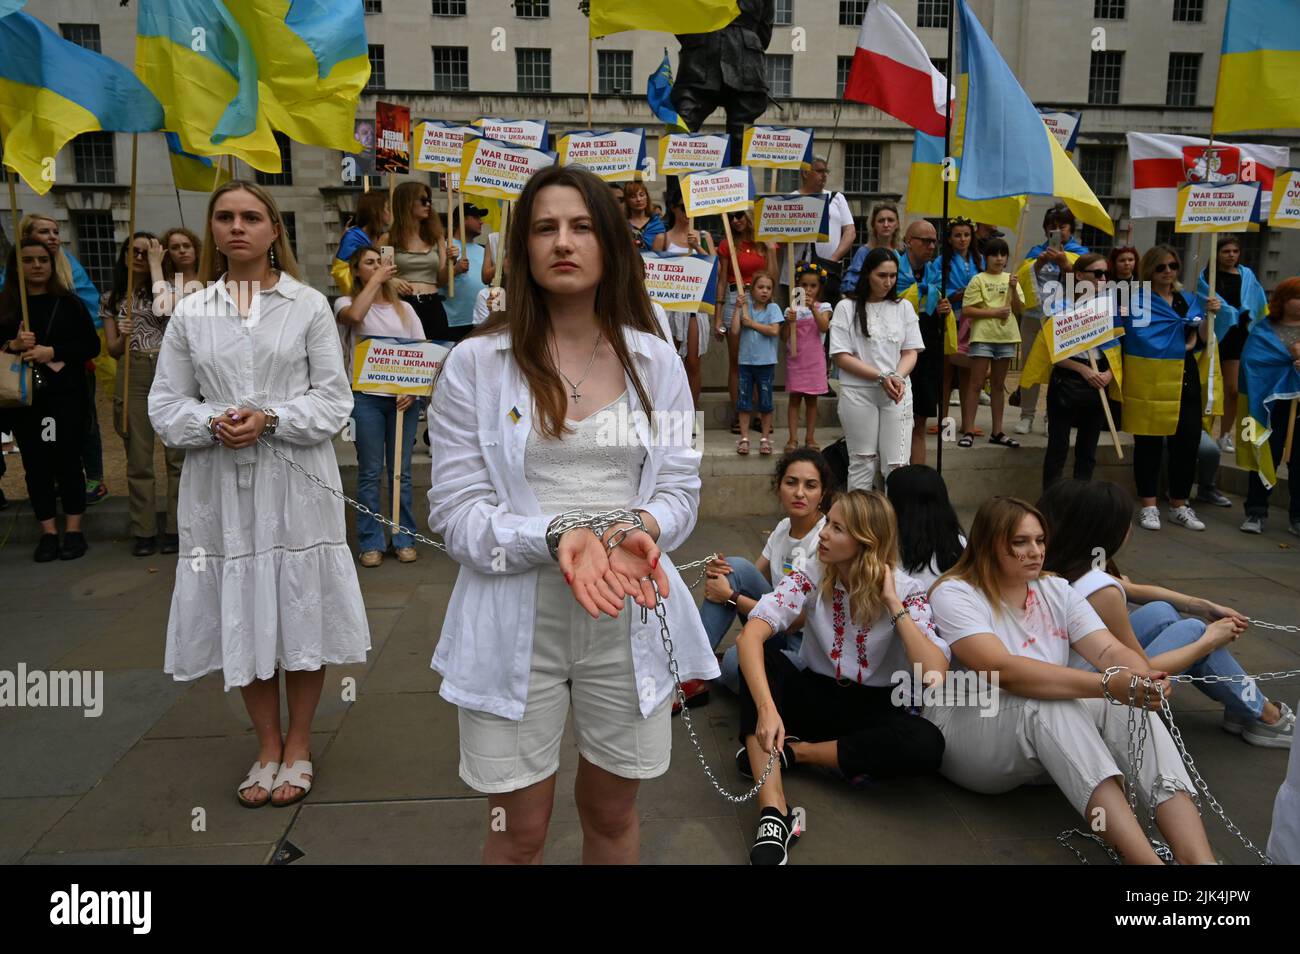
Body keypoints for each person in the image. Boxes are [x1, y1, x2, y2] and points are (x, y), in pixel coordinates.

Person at [426, 164, 716, 865]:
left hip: (630, 612)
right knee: (518, 832)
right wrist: (557, 534)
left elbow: (680, 488)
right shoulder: (475, 364)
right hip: (513, 617)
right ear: (522, 247)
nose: (564, 241)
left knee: (612, 818)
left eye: (582, 226)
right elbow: (456, 512)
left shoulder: (660, 364)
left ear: (612, 244)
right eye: (545, 227)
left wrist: (636, 529)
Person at [149, 179, 370, 810]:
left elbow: (334, 400)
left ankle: (299, 744)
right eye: (224, 216)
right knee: (243, 604)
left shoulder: (308, 307)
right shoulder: (192, 311)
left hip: (295, 480)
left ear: (275, 230)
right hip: (221, 484)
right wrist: (210, 424)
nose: (237, 227)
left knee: (298, 602)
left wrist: (269, 419)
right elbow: (165, 403)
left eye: (251, 216)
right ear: (212, 230)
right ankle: (266, 745)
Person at [926, 496, 1218, 864]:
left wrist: (1143, 678)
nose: (1035, 551)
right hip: (970, 732)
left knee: (1128, 706)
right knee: (1051, 701)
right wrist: (1107, 685)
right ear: (988, 544)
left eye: (1040, 540)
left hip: (1047, 741)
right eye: (1020, 542)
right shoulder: (955, 592)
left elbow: (1110, 652)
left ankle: (1198, 860)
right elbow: (1001, 669)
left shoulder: (1055, 588)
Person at [736, 490, 950, 864]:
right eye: (828, 523)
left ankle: (796, 754)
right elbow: (750, 634)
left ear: (866, 541)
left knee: (926, 744)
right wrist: (768, 709)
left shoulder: (907, 591)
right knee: (761, 660)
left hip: (874, 707)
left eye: (837, 528)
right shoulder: (811, 572)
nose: (822, 534)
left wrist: (894, 605)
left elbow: (933, 673)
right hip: (817, 694)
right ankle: (774, 813)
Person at [1039, 478, 1294, 748]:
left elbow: (1133, 589)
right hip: (1086, 696)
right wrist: (1210, 640)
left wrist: (1201, 604)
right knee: (1194, 631)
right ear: (1107, 529)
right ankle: (1266, 717)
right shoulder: (1102, 593)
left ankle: (1243, 704)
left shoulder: (1063, 563)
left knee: (1161, 611)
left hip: (1066, 673)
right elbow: (1142, 673)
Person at [701, 448, 832, 696]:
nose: (799, 493)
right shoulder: (783, 528)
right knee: (734, 566)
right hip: (776, 630)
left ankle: (707, 668)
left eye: (810, 485)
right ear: (778, 487)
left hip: (805, 649)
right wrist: (721, 571)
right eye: (791, 483)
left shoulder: (824, 539)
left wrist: (730, 596)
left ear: (822, 493)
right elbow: (748, 575)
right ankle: (691, 666)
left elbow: (796, 622)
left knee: (733, 662)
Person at [0, 240, 101, 561]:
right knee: (36, 465)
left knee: (68, 461)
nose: (37, 266)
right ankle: (48, 532)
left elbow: (89, 345)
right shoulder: (6, 306)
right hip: (26, 399)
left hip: (64, 396)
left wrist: (52, 351)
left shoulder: (68, 303)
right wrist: (12, 343)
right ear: (16, 266)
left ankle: (73, 529)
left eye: (43, 259)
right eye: (28, 260)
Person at [4, 215, 107, 505]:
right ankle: (48, 495)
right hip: (24, 385)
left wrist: (54, 351)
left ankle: (90, 479)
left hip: (67, 380)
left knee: (78, 431)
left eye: (55, 232)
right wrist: (13, 344)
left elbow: (89, 330)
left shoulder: (68, 282)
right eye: (43, 232)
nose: (52, 237)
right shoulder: (9, 295)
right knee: (37, 452)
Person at [335, 246, 426, 568]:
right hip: (365, 398)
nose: (376, 267)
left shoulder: (405, 310)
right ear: (357, 271)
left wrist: (414, 392)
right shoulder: (345, 303)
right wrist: (376, 282)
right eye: (368, 263)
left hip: (402, 399)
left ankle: (403, 537)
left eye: (380, 262)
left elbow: (421, 354)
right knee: (370, 471)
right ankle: (371, 540)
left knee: (400, 472)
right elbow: (355, 318)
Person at [1123, 245, 1221, 532]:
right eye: (1161, 267)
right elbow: (1135, 336)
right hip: (1149, 376)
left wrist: (1208, 316)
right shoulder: (1137, 300)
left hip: (1184, 376)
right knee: (1148, 443)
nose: (1168, 272)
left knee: (1187, 443)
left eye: (1173, 266)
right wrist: (1181, 342)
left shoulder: (1187, 300)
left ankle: (1180, 504)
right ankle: (1149, 506)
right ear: (1149, 270)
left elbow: (1199, 339)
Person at [103, 232, 185, 557]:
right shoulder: (112, 298)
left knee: (176, 456)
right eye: (133, 252)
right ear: (124, 256)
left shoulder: (171, 290)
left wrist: (155, 265)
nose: (139, 257)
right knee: (139, 457)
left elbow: (166, 312)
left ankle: (177, 528)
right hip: (134, 370)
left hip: (168, 369)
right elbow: (112, 351)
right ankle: (144, 530)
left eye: (146, 251)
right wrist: (122, 336)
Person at [830, 247, 923, 491]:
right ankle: (856, 523)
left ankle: (898, 523)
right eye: (882, 275)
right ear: (868, 274)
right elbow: (841, 356)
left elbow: (911, 351)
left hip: (897, 391)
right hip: (858, 391)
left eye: (893, 276)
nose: (888, 282)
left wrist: (896, 376)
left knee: (897, 465)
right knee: (862, 461)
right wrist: (881, 376)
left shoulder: (903, 307)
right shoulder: (846, 307)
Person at [1037, 254, 1122, 488]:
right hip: (1068, 378)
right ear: (1080, 275)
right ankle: (1053, 499)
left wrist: (1109, 374)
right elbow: (1052, 351)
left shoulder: (1110, 306)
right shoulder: (1060, 304)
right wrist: (1083, 370)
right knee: (1058, 447)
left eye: (1106, 274)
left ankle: (1081, 500)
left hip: (1100, 379)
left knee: (1088, 450)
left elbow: (1118, 347)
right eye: (1097, 273)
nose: (1103, 278)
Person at [1013, 203, 1090, 435]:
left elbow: (1087, 284)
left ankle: (1052, 416)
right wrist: (1038, 264)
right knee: (1029, 365)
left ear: (1071, 229)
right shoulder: (1036, 252)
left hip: (1063, 319)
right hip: (1034, 318)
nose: (1057, 231)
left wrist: (1066, 265)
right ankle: (1027, 415)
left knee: (1060, 370)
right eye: (1052, 226)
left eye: (1062, 226)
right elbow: (1023, 282)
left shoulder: (1081, 254)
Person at [1237, 276, 1300, 535]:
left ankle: (1297, 515)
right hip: (1269, 405)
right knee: (1265, 452)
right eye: (1297, 297)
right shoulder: (1264, 329)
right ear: (1283, 300)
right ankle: (1256, 510)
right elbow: (1252, 362)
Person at [1198, 235, 1268, 453]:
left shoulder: (1247, 275)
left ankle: (1225, 433)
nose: (1231, 255)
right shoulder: (1207, 277)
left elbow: (1258, 303)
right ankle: (1203, 431)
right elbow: (1201, 302)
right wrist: (1221, 310)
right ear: (1216, 254)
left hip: (1241, 336)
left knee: (1233, 389)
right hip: (1216, 335)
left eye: (1234, 251)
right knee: (1208, 386)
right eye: (1226, 251)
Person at [893, 220, 951, 463]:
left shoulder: (937, 276)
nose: (931, 246)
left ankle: (917, 479)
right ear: (908, 241)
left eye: (933, 241)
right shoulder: (893, 270)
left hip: (927, 351)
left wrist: (943, 311)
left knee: (919, 421)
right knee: (895, 420)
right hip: (896, 351)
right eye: (925, 240)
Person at [958, 236, 1022, 449]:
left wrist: (1013, 289)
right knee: (976, 384)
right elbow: (967, 310)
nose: (999, 258)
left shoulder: (1011, 278)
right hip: (983, 336)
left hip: (1006, 337)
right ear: (986, 257)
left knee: (997, 385)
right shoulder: (979, 279)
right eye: (994, 254)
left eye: (1003, 254)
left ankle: (998, 431)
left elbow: (1020, 309)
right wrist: (994, 311)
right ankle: (968, 430)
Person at [716, 210, 776, 432]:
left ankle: (761, 414)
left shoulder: (765, 241)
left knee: (760, 360)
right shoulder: (727, 244)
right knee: (736, 362)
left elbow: (773, 278)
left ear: (749, 215)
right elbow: (721, 280)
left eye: (739, 215)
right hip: (734, 298)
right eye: (730, 217)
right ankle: (739, 412)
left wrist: (770, 250)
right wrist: (718, 316)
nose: (735, 221)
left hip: (760, 301)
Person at [928, 217, 982, 437]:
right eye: (958, 235)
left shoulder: (980, 261)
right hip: (951, 317)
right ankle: (944, 422)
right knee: (946, 371)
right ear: (949, 238)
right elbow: (934, 284)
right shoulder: (942, 261)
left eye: (966, 235)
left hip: (973, 319)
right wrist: (955, 293)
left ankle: (967, 423)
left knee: (967, 370)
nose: (962, 239)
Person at [389, 180, 460, 346]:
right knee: (407, 357)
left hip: (433, 304)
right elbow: (380, 273)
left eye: (429, 201)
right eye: (422, 200)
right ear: (407, 202)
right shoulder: (389, 239)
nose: (428, 204)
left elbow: (441, 280)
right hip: (402, 304)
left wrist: (451, 263)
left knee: (439, 355)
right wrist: (391, 280)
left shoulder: (436, 237)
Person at [661, 193, 710, 407]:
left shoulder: (704, 236)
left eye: (692, 208)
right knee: (670, 362)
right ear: (673, 209)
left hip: (694, 306)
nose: (687, 213)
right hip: (670, 307)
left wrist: (698, 248)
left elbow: (712, 269)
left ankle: (691, 415)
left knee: (693, 362)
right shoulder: (663, 238)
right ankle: (672, 412)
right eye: (683, 208)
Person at [884, 464, 965, 590]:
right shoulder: (960, 543)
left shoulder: (894, 553)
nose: (885, 505)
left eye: (889, 499)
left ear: (902, 507)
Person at [781, 262, 832, 451]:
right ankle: (792, 438)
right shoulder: (791, 309)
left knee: (812, 401)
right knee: (794, 400)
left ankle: (810, 438)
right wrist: (788, 322)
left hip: (814, 361)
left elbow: (824, 327)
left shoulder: (824, 306)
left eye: (813, 286)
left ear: (820, 288)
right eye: (804, 285)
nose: (808, 289)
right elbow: (783, 337)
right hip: (796, 360)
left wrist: (812, 309)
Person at [790, 156, 855, 302]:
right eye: (819, 171)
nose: (824, 175)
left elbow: (850, 232)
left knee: (826, 315)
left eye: (826, 171)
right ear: (805, 173)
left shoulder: (836, 198)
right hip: (798, 276)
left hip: (828, 274)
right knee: (801, 316)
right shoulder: (790, 199)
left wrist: (832, 260)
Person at [736, 272, 783, 455]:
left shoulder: (773, 309)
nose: (764, 291)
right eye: (760, 287)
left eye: (768, 288)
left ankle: (765, 438)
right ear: (752, 289)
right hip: (746, 361)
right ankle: (744, 437)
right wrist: (738, 309)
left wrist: (752, 324)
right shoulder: (746, 309)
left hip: (766, 363)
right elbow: (734, 331)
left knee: (765, 402)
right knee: (744, 401)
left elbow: (773, 331)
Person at [443, 202, 490, 340]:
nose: (481, 222)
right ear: (462, 220)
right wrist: (455, 269)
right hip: (454, 322)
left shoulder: (484, 250)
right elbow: (434, 280)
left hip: (481, 320)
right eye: (476, 217)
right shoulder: (446, 247)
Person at [331, 192, 390, 296]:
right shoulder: (353, 237)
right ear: (376, 212)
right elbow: (341, 271)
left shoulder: (382, 236)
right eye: (386, 209)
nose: (389, 213)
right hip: (361, 297)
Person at [841, 202, 903, 296]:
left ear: (897, 224)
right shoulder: (864, 252)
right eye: (881, 220)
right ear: (873, 224)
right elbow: (849, 285)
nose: (886, 224)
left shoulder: (901, 253)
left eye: (890, 220)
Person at [157, 227, 203, 316]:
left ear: (195, 249)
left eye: (187, 246)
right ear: (168, 253)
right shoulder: (165, 282)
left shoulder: (210, 276)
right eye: (175, 248)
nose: (182, 251)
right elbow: (163, 309)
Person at [623, 180, 666, 252]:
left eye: (642, 195)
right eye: (633, 196)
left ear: (647, 197)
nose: (638, 199)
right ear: (627, 200)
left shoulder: (657, 224)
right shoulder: (622, 224)